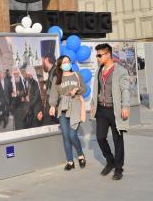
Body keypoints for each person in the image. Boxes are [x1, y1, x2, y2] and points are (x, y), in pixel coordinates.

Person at [90, 43, 130, 181]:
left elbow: (125, 90)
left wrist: (125, 106)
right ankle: (110, 160)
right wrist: (93, 105)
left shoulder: (120, 71)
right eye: (97, 55)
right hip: (101, 110)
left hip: (115, 110)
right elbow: (96, 89)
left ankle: (118, 169)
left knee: (117, 140)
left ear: (108, 55)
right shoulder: (99, 71)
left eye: (99, 55)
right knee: (100, 137)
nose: (97, 58)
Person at [49, 55, 86, 171]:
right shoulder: (56, 79)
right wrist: (52, 106)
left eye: (68, 61)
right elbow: (54, 94)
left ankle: (80, 155)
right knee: (65, 136)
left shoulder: (77, 75)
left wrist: (77, 90)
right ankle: (70, 161)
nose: (67, 63)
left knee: (72, 135)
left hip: (75, 105)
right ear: (60, 65)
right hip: (63, 107)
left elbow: (84, 89)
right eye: (64, 62)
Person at [39, 40, 57, 126]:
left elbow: (54, 93)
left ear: (46, 59)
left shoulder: (55, 72)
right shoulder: (52, 71)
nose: (42, 63)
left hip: (54, 112)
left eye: (42, 60)